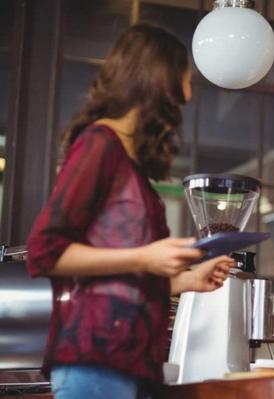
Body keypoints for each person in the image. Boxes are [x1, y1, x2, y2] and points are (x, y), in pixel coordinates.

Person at [26, 24, 234, 399]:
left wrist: (185, 279)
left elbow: (122, 277)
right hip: (95, 360)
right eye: (183, 82)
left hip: (129, 364)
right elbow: (44, 251)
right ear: (159, 83)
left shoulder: (128, 160)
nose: (187, 96)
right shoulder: (99, 144)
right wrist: (146, 256)